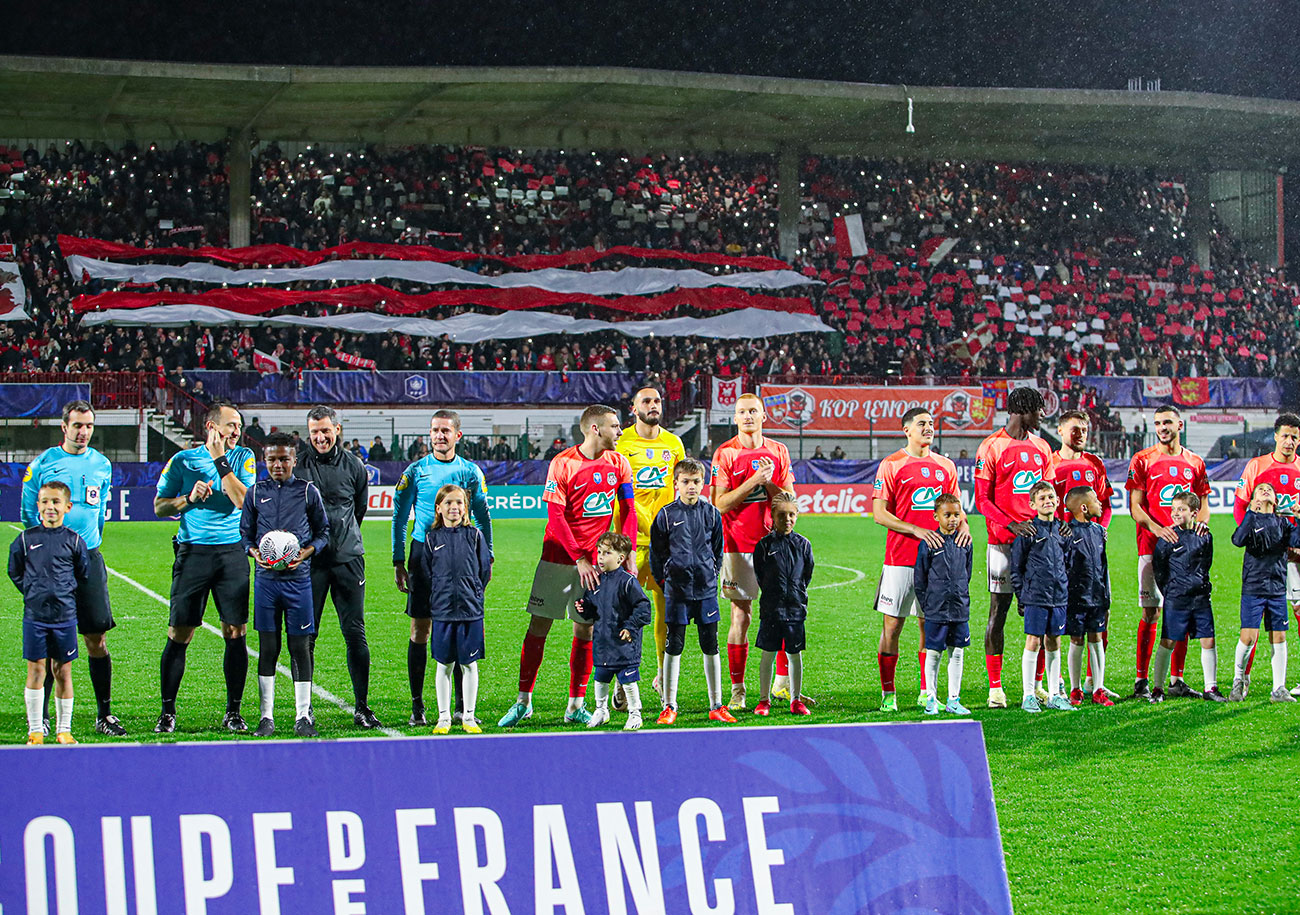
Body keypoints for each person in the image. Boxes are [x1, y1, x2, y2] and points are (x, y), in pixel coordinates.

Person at [498, 404, 637, 727]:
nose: (619, 432)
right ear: (595, 429)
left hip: (598, 565)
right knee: (539, 627)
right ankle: (523, 702)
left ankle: (575, 705)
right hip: (558, 559)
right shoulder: (563, 464)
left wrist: (625, 549)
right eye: (614, 426)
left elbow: (628, 509)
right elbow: (556, 517)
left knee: (585, 629)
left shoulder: (620, 463)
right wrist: (580, 558)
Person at [20, 400, 123, 736]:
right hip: (52, 561)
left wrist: (88, 546)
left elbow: (100, 509)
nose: (84, 432)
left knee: (96, 637)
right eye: (77, 425)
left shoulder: (102, 464)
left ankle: (104, 714)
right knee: (50, 640)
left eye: (89, 425)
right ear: (64, 427)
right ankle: (45, 717)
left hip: (89, 556)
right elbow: (27, 513)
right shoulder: (44, 463)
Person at [153, 400, 257, 734]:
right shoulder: (182, 461)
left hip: (232, 553)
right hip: (193, 553)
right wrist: (188, 500)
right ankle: (168, 712)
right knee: (180, 633)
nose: (237, 431)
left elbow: (243, 500)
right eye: (231, 425)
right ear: (211, 427)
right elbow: (159, 506)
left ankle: (234, 712)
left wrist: (218, 460)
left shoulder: (243, 457)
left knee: (235, 631)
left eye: (239, 426)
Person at [392, 410, 492, 726]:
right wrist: (398, 559)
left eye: (446, 430)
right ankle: (419, 705)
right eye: (435, 430)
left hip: (463, 551)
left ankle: (463, 707)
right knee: (421, 629)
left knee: (462, 625)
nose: (439, 435)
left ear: (457, 435)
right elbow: (399, 516)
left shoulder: (470, 472)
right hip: (424, 553)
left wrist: (487, 555)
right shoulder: (416, 470)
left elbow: (482, 516)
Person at [871, 407, 968, 712]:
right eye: (921, 424)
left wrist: (964, 526)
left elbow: (956, 508)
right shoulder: (891, 464)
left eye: (931, 424)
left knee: (931, 626)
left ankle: (927, 691)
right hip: (900, 559)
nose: (928, 428)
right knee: (892, 626)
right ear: (906, 430)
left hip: (937, 562)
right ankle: (889, 693)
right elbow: (879, 513)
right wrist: (915, 529)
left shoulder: (945, 466)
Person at [294, 406, 381, 729]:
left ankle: (362, 706)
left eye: (325, 430)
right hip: (309, 562)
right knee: (306, 636)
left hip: (348, 560)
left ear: (337, 429)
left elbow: (359, 508)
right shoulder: (298, 466)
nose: (320, 437)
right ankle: (305, 708)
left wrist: (340, 539)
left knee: (354, 633)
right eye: (314, 431)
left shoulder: (355, 466)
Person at [239, 433, 331, 737]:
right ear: (264, 461)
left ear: (294, 460)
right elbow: (245, 535)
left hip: (298, 581)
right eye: (272, 459)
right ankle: (266, 717)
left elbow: (323, 533)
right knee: (268, 648)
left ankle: (303, 716)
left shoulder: (307, 492)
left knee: (299, 647)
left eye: (284, 459)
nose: (278, 465)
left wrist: (305, 552)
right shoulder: (254, 493)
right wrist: (255, 553)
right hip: (266, 581)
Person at [711, 392, 796, 710]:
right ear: (735, 418)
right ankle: (738, 689)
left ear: (764, 416)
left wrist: (770, 482)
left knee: (782, 613)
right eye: (741, 411)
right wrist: (751, 482)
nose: (747, 416)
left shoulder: (778, 450)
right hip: (737, 547)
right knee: (741, 615)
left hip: (776, 545)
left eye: (753, 411)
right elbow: (719, 503)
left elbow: (788, 501)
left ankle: (783, 684)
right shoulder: (725, 453)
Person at [975, 386, 1054, 709]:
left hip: (1038, 547)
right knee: (999, 611)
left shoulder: (1042, 447)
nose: (1042, 416)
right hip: (1003, 544)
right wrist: (1011, 524)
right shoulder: (991, 447)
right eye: (1038, 410)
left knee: (1041, 615)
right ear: (1024, 409)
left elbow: (1048, 494)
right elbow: (982, 500)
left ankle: (1036, 686)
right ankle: (996, 688)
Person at [1127, 405, 1211, 699]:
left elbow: (1203, 504)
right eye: (1158, 423)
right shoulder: (1143, 460)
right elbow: (1135, 506)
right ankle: (1141, 681)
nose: (1162, 427)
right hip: (1150, 547)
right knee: (1150, 612)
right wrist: (1156, 527)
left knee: (1183, 611)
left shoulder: (1195, 462)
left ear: (1180, 424)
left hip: (1185, 554)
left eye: (1168, 422)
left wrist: (1200, 529)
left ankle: (1176, 679)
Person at [616, 385, 687, 702]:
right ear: (634, 408)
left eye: (657, 400)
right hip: (627, 542)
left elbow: (684, 489)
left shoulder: (674, 444)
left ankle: (663, 678)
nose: (654, 405)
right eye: (646, 401)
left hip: (664, 544)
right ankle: (623, 679)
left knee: (666, 613)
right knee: (623, 615)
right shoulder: (620, 442)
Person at [649, 457, 728, 724]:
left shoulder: (712, 513)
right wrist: (667, 580)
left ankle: (716, 704)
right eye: (685, 482)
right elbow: (656, 555)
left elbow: (718, 549)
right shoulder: (666, 515)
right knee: (675, 645)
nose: (691, 486)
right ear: (676, 484)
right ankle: (669, 705)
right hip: (677, 592)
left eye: (696, 481)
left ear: (703, 483)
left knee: (711, 645)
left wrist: (711, 574)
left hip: (705, 591)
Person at [10, 481, 89, 745]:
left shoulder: (75, 541)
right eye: (44, 502)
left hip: (64, 617)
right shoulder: (25, 539)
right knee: (36, 671)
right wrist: (32, 591)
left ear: (67, 507)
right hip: (35, 618)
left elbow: (82, 573)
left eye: (55, 502)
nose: (50, 507)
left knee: (63, 672)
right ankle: (35, 730)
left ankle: (63, 730)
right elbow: (15, 571)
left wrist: (63, 594)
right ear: (38, 506)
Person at [1230, 412, 1300, 696]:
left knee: (1294, 614)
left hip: (1294, 554)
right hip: (1267, 558)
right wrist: (1259, 540)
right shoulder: (1256, 466)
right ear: (1275, 436)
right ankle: (1242, 678)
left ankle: (1280, 685)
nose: (1289, 441)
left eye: (1294, 436)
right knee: (1254, 624)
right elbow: (1239, 508)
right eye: (1284, 435)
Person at [1050, 410, 1116, 699]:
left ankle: (1093, 682)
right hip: (1063, 555)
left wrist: (1098, 530)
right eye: (1075, 429)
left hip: (1092, 551)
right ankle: (1054, 683)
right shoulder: (1050, 463)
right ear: (1060, 431)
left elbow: (1106, 504)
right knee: (1064, 621)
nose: (1081, 434)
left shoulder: (1094, 463)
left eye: (1085, 430)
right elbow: (1044, 503)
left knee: (1097, 619)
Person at [423, 484, 493, 733]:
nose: (454, 507)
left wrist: (472, 593)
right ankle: (444, 717)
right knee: (444, 665)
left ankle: (469, 716)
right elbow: (427, 574)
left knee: (469, 664)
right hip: (442, 611)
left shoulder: (475, 536)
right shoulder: (431, 539)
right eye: (449, 503)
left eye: (459, 503)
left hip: (470, 611)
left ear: (465, 508)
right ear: (439, 508)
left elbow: (484, 572)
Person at [1150, 492, 1221, 703]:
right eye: (1173, 509)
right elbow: (1159, 570)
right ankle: (1157, 690)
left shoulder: (1204, 536)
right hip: (1176, 599)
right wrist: (1171, 591)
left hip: (1200, 598)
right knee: (1168, 642)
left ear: (1194, 513)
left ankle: (1211, 688)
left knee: (1208, 640)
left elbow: (1207, 562)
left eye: (1181, 509)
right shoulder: (1167, 538)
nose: (1175, 513)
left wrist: (1200, 585)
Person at [577, 531, 652, 730]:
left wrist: (630, 627)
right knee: (600, 678)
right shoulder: (596, 582)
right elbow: (592, 612)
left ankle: (635, 713)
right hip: (603, 642)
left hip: (623, 644)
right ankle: (601, 710)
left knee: (628, 681)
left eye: (607, 553)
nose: (601, 557)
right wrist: (584, 608)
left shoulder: (628, 582)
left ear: (620, 558)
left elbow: (643, 607)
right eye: (599, 552)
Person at [1010, 482, 1073, 713]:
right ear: (1032, 504)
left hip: (1058, 596)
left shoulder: (1063, 531)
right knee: (1033, 641)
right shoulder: (1028, 532)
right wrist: (1021, 595)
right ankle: (1029, 695)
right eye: (1042, 498)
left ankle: (1055, 693)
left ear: (1058, 501)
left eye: (1051, 497)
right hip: (1035, 596)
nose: (1047, 501)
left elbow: (1068, 563)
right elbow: (1016, 567)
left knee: (1054, 642)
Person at [752, 492, 815, 715]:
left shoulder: (803, 545)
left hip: (796, 609)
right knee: (768, 654)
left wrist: (796, 594)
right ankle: (763, 699)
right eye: (781, 515)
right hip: (771, 609)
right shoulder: (763, 546)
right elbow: (760, 575)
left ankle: (796, 700)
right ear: (772, 516)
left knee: (794, 655)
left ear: (797, 516)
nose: (787, 519)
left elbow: (807, 574)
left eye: (791, 515)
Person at [913, 492, 973, 716]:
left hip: (958, 608)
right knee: (934, 653)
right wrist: (928, 605)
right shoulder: (929, 544)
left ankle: (954, 699)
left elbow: (966, 574)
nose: (953, 519)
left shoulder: (964, 542)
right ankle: (931, 698)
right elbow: (920, 579)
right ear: (936, 516)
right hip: (936, 609)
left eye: (956, 514)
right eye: (947, 515)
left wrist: (959, 596)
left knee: (957, 652)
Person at [1062, 486, 1114, 706]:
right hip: (1076, 598)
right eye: (1095, 499)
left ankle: (1098, 688)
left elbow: (1103, 566)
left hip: (1097, 596)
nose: (1100, 502)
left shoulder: (1099, 531)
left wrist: (1106, 596)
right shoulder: (1067, 534)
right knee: (1077, 640)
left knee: (1097, 638)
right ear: (1083, 507)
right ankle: (1075, 689)